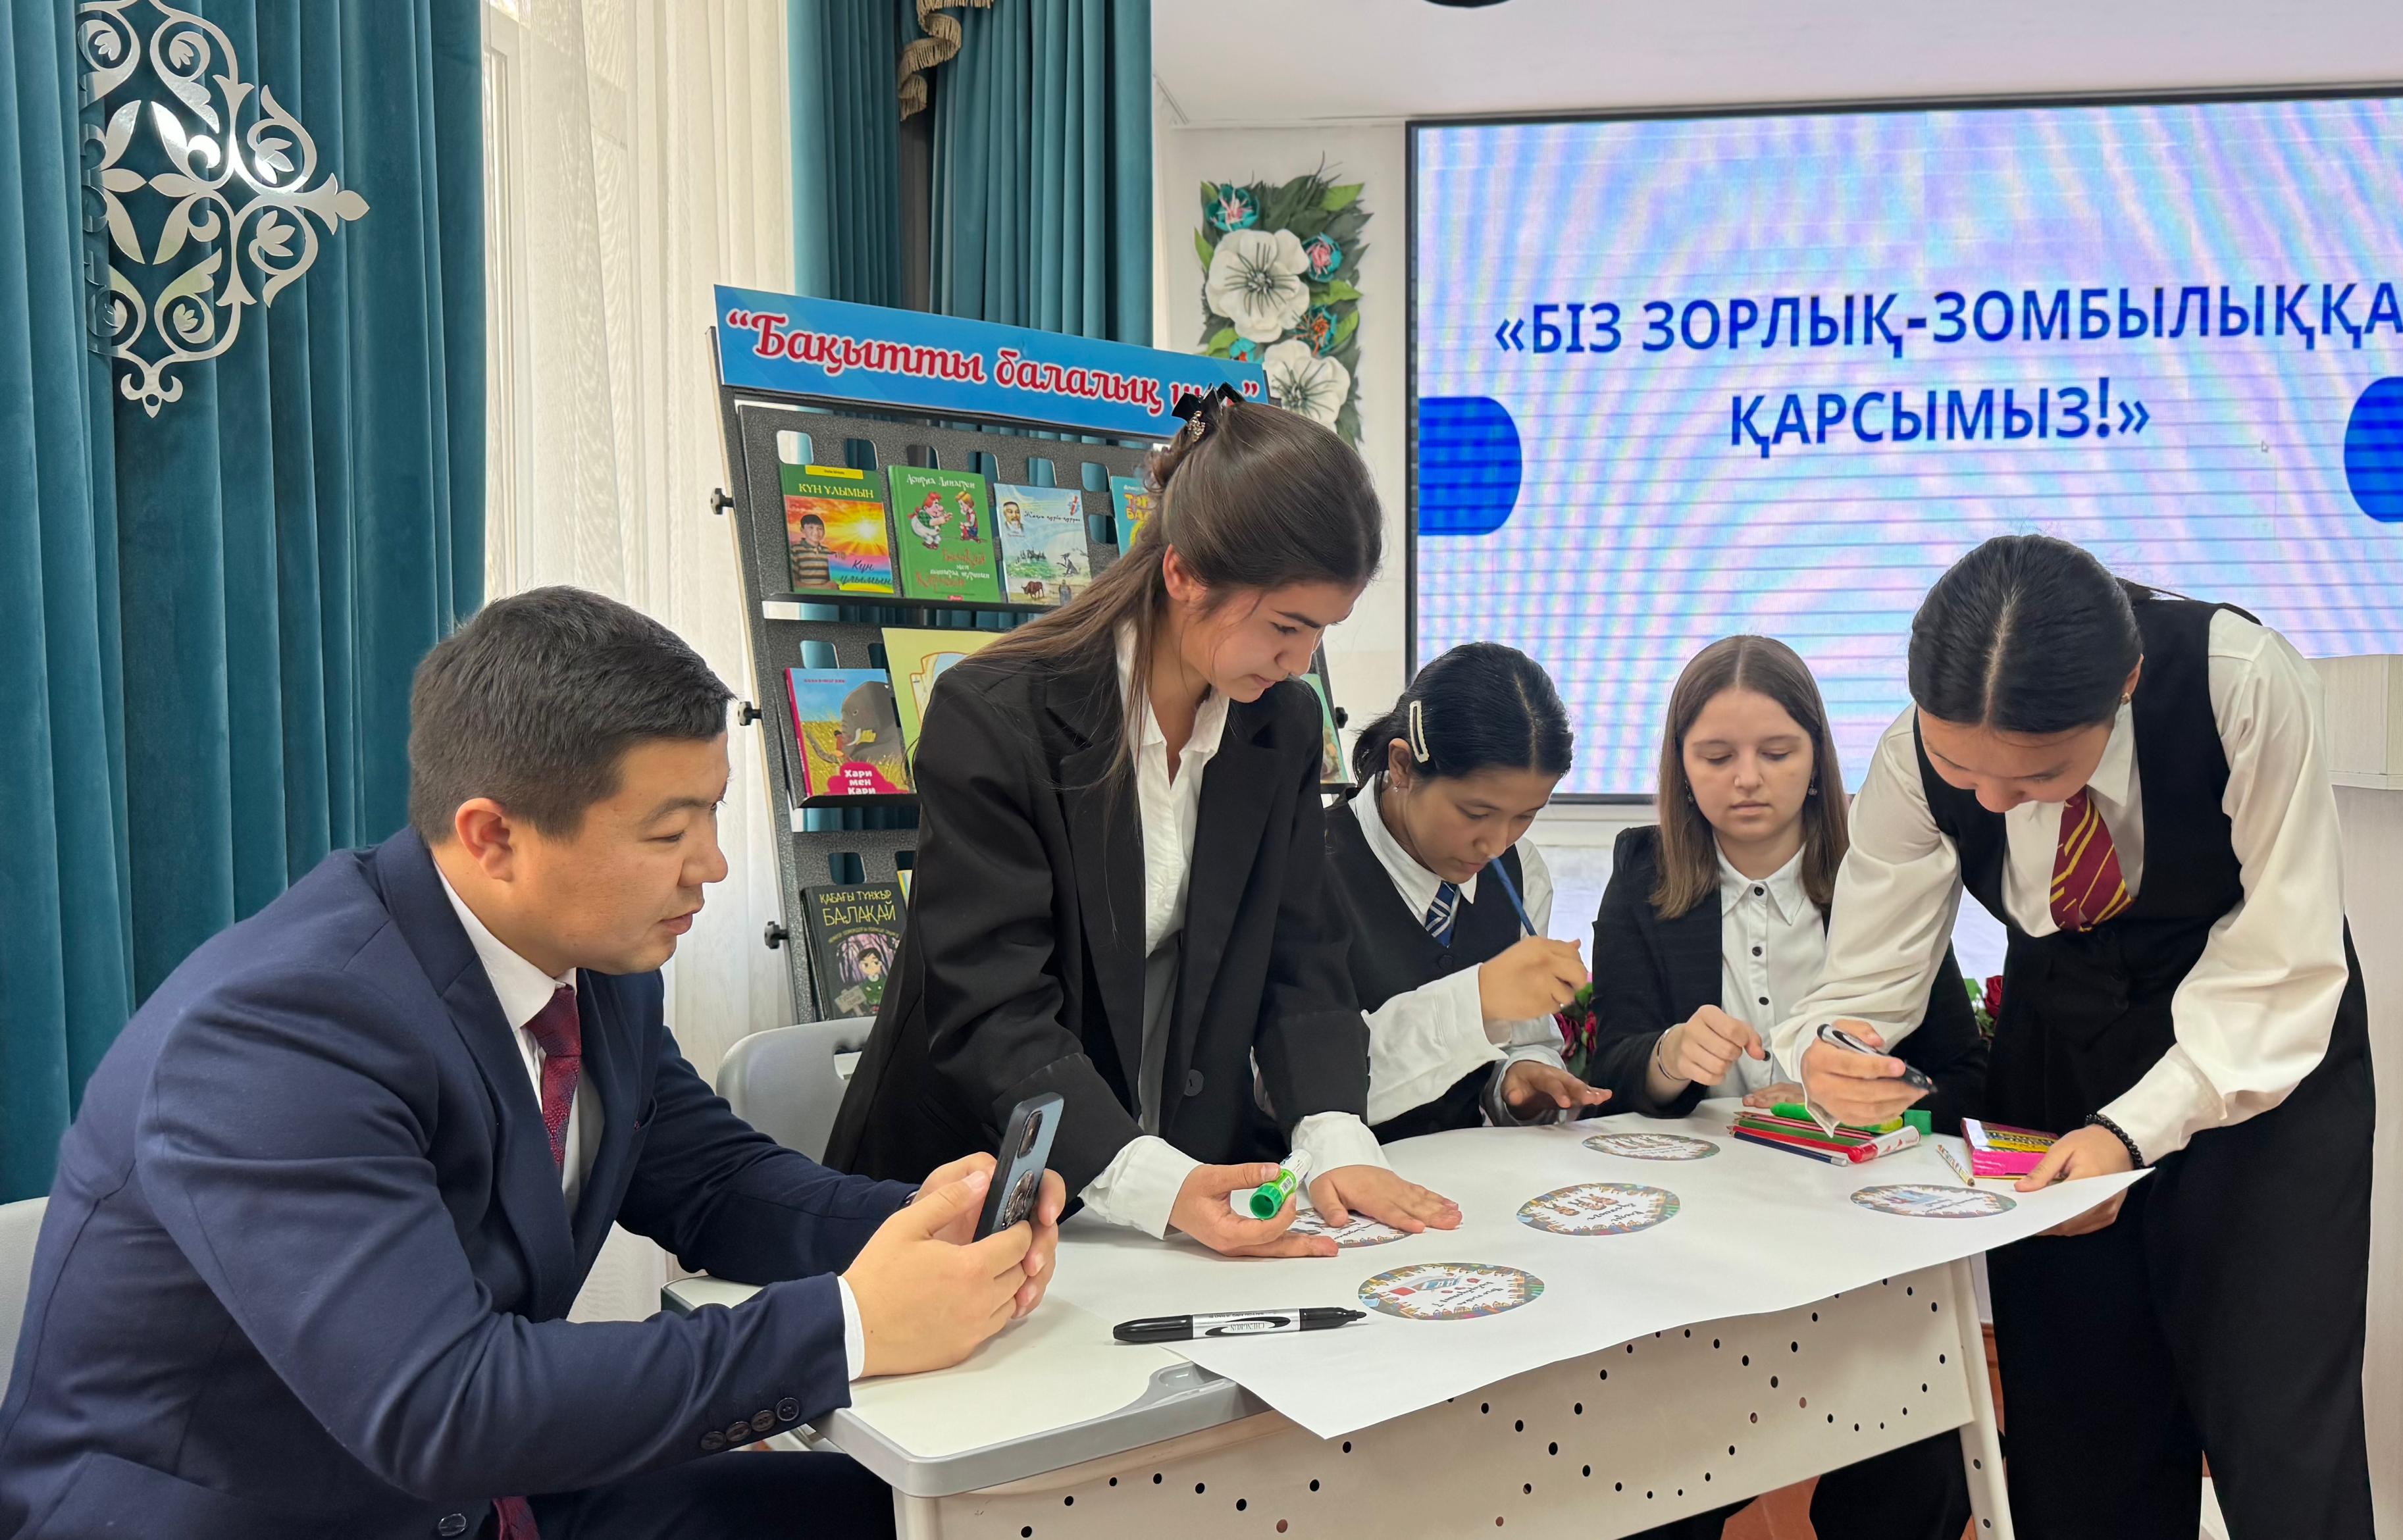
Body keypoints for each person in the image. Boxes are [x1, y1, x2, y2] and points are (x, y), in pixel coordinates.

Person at [0, 587, 1064, 1540]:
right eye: (667, 834)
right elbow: (443, 1406)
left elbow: (712, 1181)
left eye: (712, 814)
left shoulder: (595, 964)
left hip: (482, 1494)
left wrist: (922, 1223)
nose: (711, 866)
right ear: (492, 837)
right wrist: (851, 1326)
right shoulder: (280, 1037)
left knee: (919, 1516)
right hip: (281, 1512)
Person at [1788, 535, 2375, 1540]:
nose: (1990, 799)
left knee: (2282, 1436)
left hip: (2259, 1052)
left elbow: (2286, 954)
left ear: (2126, 687)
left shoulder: (2237, 681)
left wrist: (2131, 1133)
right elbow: (1867, 977)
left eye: (2041, 773)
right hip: (2058, 1047)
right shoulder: (1909, 757)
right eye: (1959, 764)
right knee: (2080, 1432)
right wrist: (1831, 1050)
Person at [827, 392, 1460, 1258]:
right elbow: (994, 1010)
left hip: (1161, 1186)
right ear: (1184, 575)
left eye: (1322, 632)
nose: (1300, 661)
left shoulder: (1278, 725)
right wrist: (1159, 1184)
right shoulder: (996, 717)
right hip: (966, 1187)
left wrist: (1335, 1136)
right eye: (1285, 626)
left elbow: (1300, 954)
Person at [1582, 634, 1985, 1540]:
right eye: (1714, 757)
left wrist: (1870, 1098)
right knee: (1658, 1481)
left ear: (1817, 758)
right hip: (1700, 1239)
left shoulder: (1879, 878)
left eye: (1776, 752)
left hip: (1862, 1231)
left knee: (1917, 1472)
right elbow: (1612, 1070)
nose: (1746, 780)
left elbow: (1962, 1077)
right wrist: (1669, 1058)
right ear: (1680, 768)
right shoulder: (1645, 873)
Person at [1325, 642, 1611, 1141]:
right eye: (1475, 813)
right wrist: (1475, 1002)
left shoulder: (1522, 871)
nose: (1496, 843)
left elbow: (1525, 1040)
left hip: (1462, 1176)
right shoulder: (1306, 865)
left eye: (1526, 816)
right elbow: (1288, 1084)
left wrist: (1521, 1078)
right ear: (1402, 765)